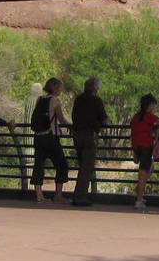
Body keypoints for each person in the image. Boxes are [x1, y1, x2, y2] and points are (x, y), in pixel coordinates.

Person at [69, 76, 108, 207]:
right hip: (89, 135)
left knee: (82, 166)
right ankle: (80, 196)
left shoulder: (78, 100)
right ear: (95, 88)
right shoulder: (96, 101)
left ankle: (77, 194)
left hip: (77, 135)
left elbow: (74, 116)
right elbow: (104, 119)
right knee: (87, 167)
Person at [29, 77, 70, 202]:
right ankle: (58, 195)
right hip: (51, 137)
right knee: (62, 164)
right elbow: (62, 119)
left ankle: (39, 195)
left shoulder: (40, 99)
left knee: (39, 165)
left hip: (38, 137)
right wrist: (71, 126)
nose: (60, 90)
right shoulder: (55, 100)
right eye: (59, 87)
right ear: (55, 87)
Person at [128, 93, 159, 212]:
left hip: (136, 146)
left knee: (149, 169)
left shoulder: (135, 117)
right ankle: (139, 199)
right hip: (146, 146)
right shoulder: (149, 116)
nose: (154, 109)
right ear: (150, 105)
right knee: (144, 171)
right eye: (154, 106)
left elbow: (134, 132)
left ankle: (137, 191)